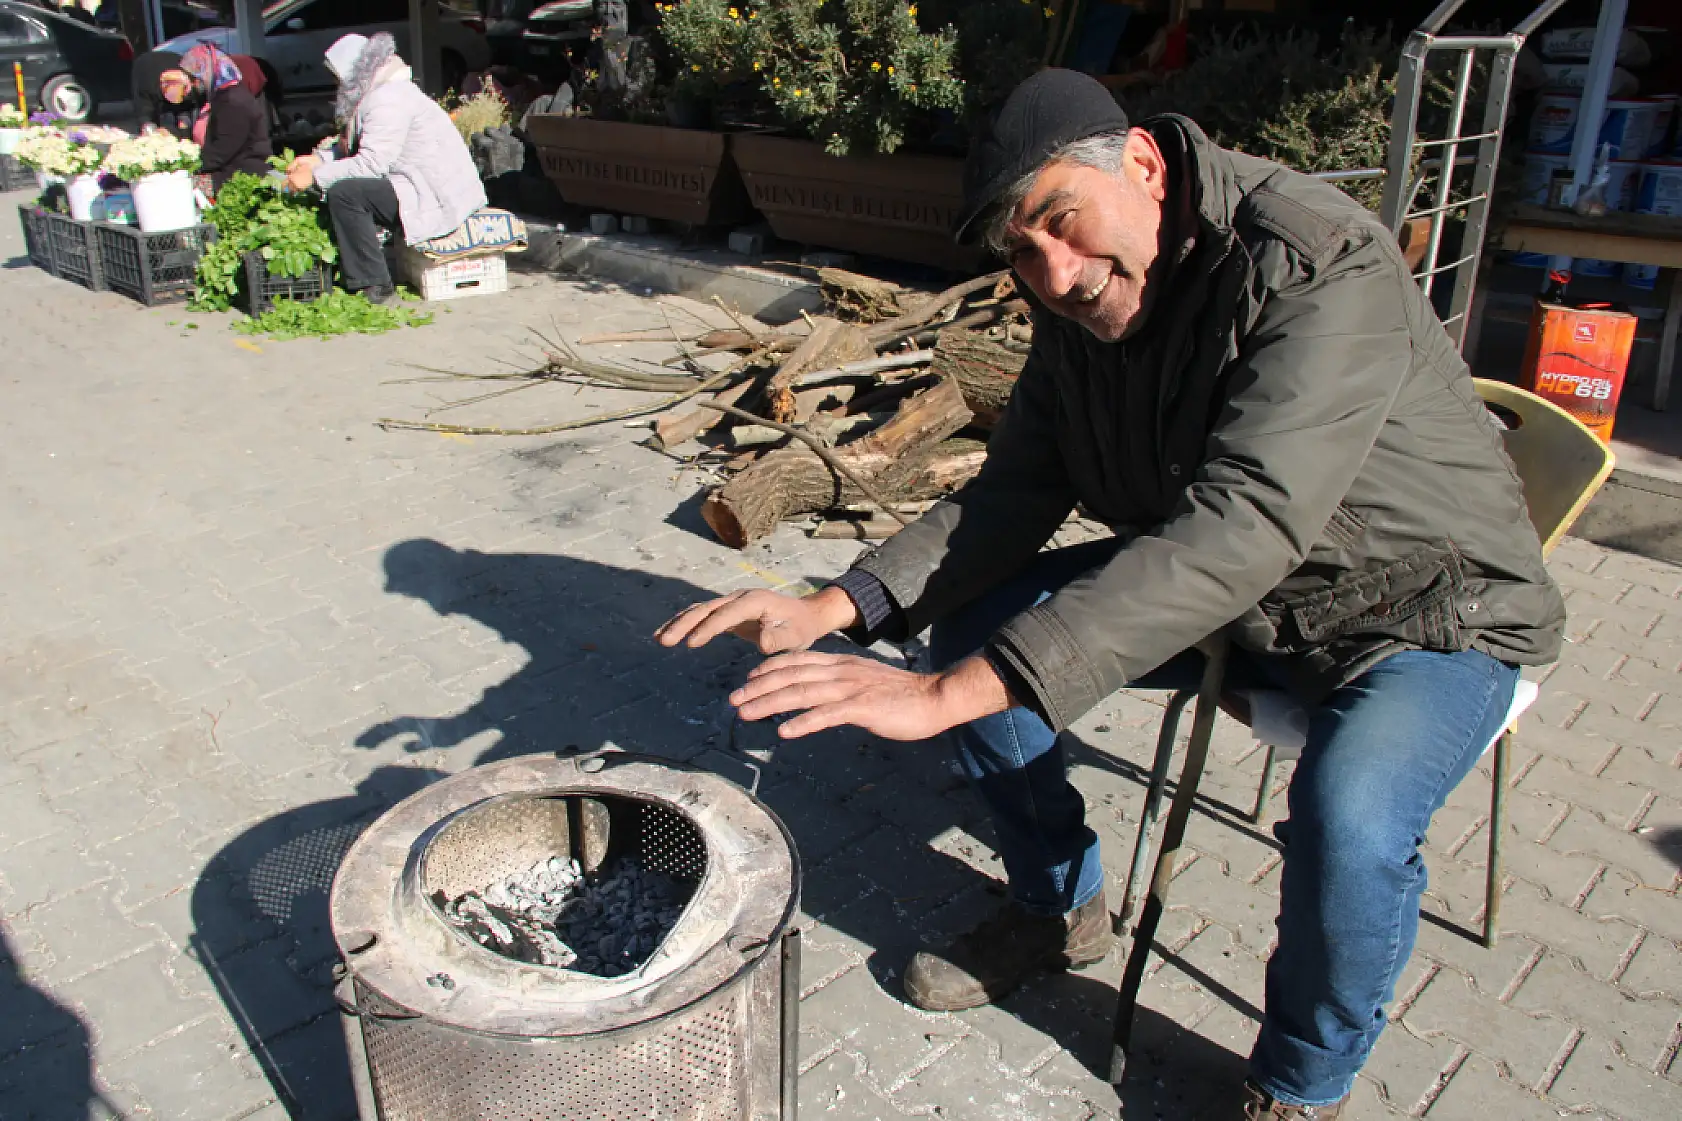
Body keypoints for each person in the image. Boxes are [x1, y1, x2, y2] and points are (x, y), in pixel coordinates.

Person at [656, 69, 1564, 1120]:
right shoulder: (1075, 301)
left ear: (1139, 163)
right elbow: (1016, 492)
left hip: (1415, 609)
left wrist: (949, 693)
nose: (1055, 270)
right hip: (1232, 596)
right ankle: (1057, 907)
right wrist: (841, 604)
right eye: (1019, 250)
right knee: (981, 628)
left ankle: (1299, 1082)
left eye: (1059, 219)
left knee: (1345, 816)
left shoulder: (1314, 258)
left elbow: (1247, 518)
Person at [283, 33, 486, 306]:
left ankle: (373, 285)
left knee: (346, 194)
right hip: (415, 183)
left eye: (338, 78)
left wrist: (314, 177)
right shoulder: (378, 94)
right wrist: (317, 160)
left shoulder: (388, 99)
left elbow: (371, 163)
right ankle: (365, 276)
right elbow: (357, 147)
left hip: (434, 194)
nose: (337, 86)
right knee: (345, 188)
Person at [162, 43, 270, 190]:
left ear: (206, 72)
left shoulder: (234, 102)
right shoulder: (218, 97)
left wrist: (185, 166)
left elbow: (220, 152)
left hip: (240, 175)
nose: (192, 85)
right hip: (227, 170)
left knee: (176, 187)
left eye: (194, 78)